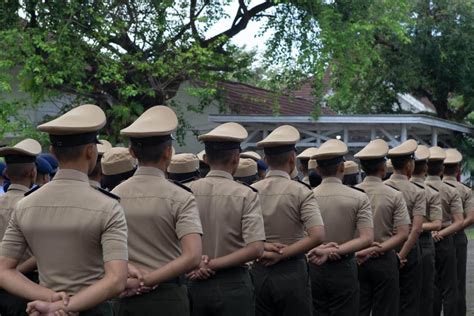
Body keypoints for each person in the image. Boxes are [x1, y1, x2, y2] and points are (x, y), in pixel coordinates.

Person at [0, 104, 129, 315]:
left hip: (42, 308)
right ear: (91, 151)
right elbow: (116, 279)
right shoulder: (107, 206)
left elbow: (3, 269)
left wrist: (49, 298)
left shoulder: (25, 204)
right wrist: (65, 305)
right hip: (93, 309)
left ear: (52, 152)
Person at [112, 106, 203, 315]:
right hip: (168, 297)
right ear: (168, 153)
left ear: (132, 152)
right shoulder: (181, 196)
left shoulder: (113, 195)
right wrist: (148, 280)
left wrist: (131, 277)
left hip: (124, 293)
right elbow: (193, 256)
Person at [187, 122, 266, 316]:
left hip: (193, 281)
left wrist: (199, 264)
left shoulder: (186, 192)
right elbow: (256, 248)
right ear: (236, 158)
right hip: (234, 284)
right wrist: (211, 264)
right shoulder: (246, 194)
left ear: (205, 159)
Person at [251, 125, 325, 316]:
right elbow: (317, 235)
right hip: (292, 271)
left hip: (257, 269)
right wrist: (283, 254)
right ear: (292, 160)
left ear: (266, 161)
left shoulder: (249, 191)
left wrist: (265, 247)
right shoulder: (302, 191)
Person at [308, 139, 374, 316]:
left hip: (312, 264)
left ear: (317, 170)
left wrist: (320, 251)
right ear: (342, 168)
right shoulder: (358, 197)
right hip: (344, 265)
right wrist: (334, 251)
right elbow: (367, 238)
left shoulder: (306, 196)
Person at [354, 139, 410, 316]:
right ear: (384, 169)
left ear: (362, 168)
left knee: (358, 308)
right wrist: (377, 249)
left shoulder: (351, 192)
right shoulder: (394, 195)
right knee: (386, 309)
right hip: (384, 258)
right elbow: (403, 233)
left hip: (356, 258)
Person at [0, 138, 41, 316]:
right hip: (26, 285)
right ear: (33, 173)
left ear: (7, 173)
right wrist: (11, 273)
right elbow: (42, 252)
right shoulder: (36, 206)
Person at [425, 146, 464, 316]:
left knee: (430, 285)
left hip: (424, 240)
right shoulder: (451, 190)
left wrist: (432, 233)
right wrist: (441, 233)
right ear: (442, 169)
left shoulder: (418, 189)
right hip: (446, 239)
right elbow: (459, 221)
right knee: (450, 287)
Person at [410, 145, 442, 316]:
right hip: (423, 243)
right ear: (426, 168)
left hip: (400, 241)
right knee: (425, 292)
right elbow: (437, 224)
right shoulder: (430, 192)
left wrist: (410, 229)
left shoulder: (396, 189)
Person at [443, 148, 474, 316]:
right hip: (457, 238)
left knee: (435, 283)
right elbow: (470, 218)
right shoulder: (465, 190)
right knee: (458, 282)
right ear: (458, 170)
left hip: (435, 238)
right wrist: (456, 227)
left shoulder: (428, 187)